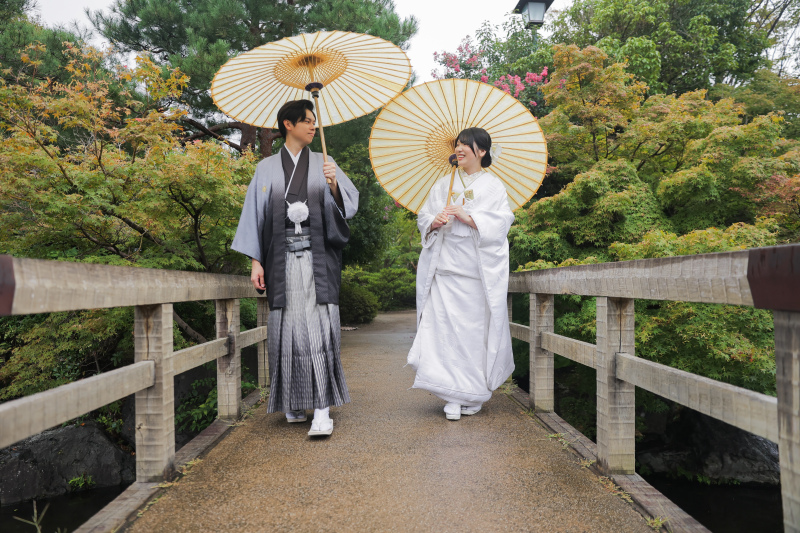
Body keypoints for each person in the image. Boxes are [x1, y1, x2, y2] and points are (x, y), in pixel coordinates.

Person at [231, 99, 359, 437]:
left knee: (318, 327)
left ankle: (321, 409)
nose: (313, 126)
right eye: (307, 121)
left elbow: (349, 206)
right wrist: (256, 261)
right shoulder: (266, 169)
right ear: (288, 125)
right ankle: (294, 400)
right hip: (282, 262)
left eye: (314, 121)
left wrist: (333, 184)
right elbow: (254, 217)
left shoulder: (325, 162)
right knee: (286, 329)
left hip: (317, 262)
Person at [407, 127, 515, 420]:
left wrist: (470, 217)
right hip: (444, 271)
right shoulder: (444, 183)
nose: (460, 149)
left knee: (471, 337)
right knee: (443, 334)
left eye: (466, 145)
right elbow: (423, 216)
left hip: (475, 275)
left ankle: (473, 392)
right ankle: (453, 396)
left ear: (482, 151)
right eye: (458, 144)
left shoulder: (494, 186)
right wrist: (435, 220)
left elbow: (504, 221)